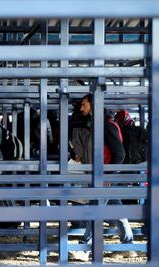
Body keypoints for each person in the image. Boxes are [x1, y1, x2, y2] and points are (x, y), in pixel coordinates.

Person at [69, 94, 136, 261]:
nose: (81, 108)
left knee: (94, 210)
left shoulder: (106, 125)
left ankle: (85, 248)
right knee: (116, 209)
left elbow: (120, 154)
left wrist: (107, 175)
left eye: (84, 104)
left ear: (93, 104)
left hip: (104, 177)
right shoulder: (100, 124)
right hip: (104, 176)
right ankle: (129, 246)